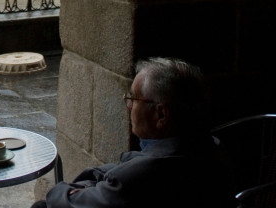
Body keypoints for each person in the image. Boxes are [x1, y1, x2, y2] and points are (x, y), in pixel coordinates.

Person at [31, 57, 233, 208]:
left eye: (134, 99)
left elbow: (65, 202)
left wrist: (62, 190)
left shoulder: (143, 175)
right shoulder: (210, 145)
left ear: (161, 114)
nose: (129, 106)